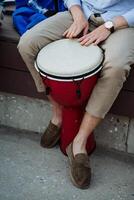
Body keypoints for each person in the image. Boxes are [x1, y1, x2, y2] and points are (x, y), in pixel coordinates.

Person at [18, 0, 134, 189]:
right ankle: (58, 114)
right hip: (82, 14)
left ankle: (79, 143)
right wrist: (77, 13)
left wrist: (110, 25)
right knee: (28, 44)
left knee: (117, 67)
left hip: (123, 23)